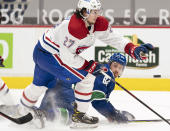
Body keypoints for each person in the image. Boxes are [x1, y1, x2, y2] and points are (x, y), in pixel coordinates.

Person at [15, 0, 153, 128]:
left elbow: (113, 38)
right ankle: (79, 117)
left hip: (42, 51)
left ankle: (21, 110)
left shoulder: (96, 23)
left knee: (39, 85)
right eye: (93, 11)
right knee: (87, 77)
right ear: (84, 12)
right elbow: (67, 58)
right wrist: (90, 66)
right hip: (51, 56)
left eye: (98, 11)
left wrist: (131, 48)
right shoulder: (73, 28)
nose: (97, 14)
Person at [39, 53, 135, 127]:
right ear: (109, 64)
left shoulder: (103, 70)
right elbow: (98, 101)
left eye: (120, 68)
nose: (117, 70)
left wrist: (111, 113)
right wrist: (113, 114)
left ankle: (38, 114)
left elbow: (100, 100)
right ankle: (45, 115)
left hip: (59, 83)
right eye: (115, 66)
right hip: (67, 88)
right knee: (75, 117)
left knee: (45, 109)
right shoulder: (107, 74)